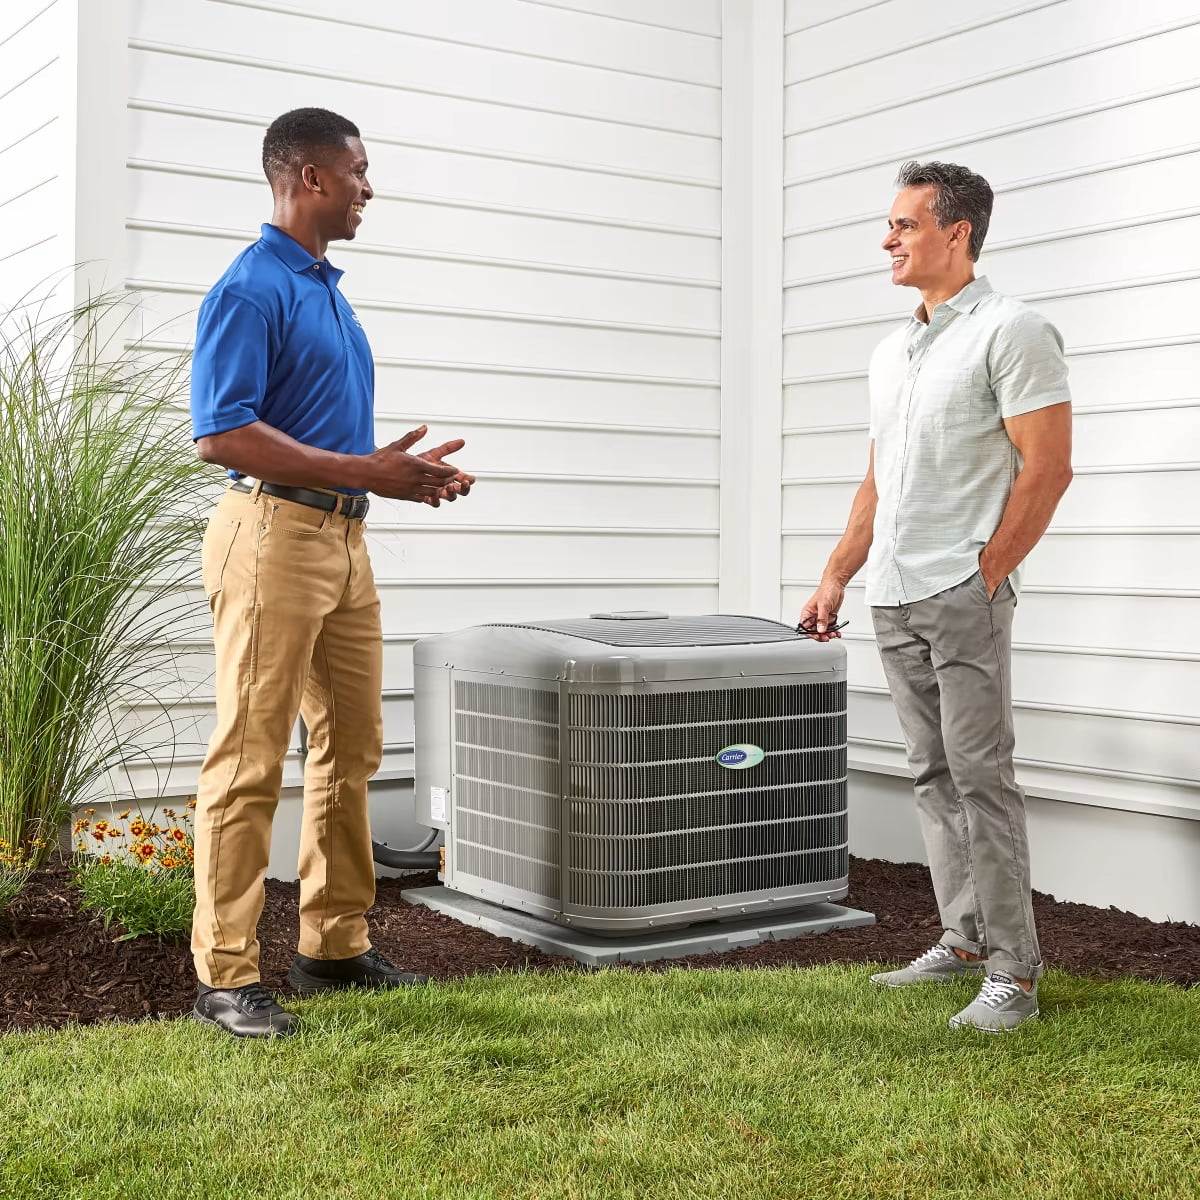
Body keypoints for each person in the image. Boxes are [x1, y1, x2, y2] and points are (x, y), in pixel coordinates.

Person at [188, 107, 474, 1038]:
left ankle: (333, 946)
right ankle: (226, 974)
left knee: (352, 747)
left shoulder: (328, 291)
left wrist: (401, 478)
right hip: (270, 538)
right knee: (250, 757)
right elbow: (221, 432)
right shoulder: (251, 288)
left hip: (342, 544)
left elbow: (322, 437)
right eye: (357, 169)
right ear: (308, 176)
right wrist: (366, 473)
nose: (367, 186)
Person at [801, 160, 1072, 1032]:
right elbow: (878, 480)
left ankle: (1014, 975)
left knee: (981, 778)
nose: (888, 240)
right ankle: (960, 939)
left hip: (961, 592)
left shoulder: (1013, 330)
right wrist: (839, 572)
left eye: (904, 224)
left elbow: (1049, 468)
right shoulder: (894, 350)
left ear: (956, 232)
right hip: (895, 591)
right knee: (932, 774)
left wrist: (986, 571)